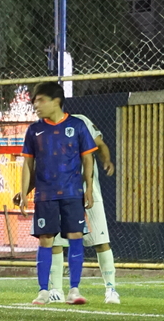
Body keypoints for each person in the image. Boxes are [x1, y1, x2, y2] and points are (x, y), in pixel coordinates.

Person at [14, 81, 97, 306]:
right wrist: (23, 192)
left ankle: (74, 290)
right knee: (46, 239)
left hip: (72, 192)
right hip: (45, 194)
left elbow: (88, 159)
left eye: (41, 100)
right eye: (35, 101)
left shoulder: (77, 126)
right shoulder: (34, 130)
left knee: (76, 236)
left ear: (56, 101)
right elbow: (27, 164)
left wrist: (89, 188)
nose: (36, 105)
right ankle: (43, 291)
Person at [49, 112, 120, 304]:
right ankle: (56, 290)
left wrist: (106, 160)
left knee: (100, 239)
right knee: (56, 241)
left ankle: (111, 289)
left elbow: (100, 145)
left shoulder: (81, 121)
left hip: (88, 191)